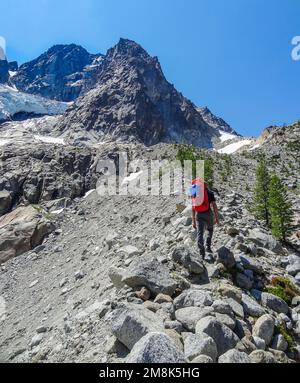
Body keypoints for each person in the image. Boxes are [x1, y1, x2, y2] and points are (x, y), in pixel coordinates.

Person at [191, 179, 220, 259]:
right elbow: (214, 206)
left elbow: (193, 207)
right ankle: (208, 246)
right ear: (206, 186)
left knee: (200, 233)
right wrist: (217, 218)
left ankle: (201, 253)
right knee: (210, 229)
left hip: (198, 214)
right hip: (208, 214)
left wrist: (193, 221)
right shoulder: (210, 193)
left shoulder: (194, 192)